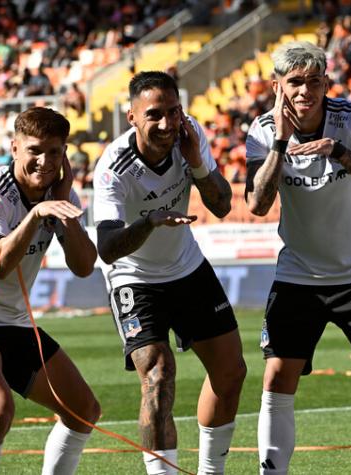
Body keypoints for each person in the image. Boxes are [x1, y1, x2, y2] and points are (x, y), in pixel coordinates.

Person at [245, 41, 351, 475]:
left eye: (313, 81)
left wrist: (336, 150)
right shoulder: (262, 130)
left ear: (326, 84)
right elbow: (258, 204)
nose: (304, 91)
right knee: (277, 377)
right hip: (300, 274)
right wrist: (280, 141)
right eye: (294, 82)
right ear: (277, 86)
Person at [93, 71, 246, 475]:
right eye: (154, 115)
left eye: (173, 112)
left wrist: (196, 161)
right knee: (158, 377)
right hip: (135, 277)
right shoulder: (113, 166)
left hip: (187, 267)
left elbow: (223, 204)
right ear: (132, 117)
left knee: (231, 372)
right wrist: (150, 222)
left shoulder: (190, 136)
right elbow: (107, 250)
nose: (166, 124)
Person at [0, 107, 101, 474]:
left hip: (16, 320)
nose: (44, 161)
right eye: (35, 150)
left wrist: (65, 209)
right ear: (14, 148)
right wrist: (37, 214)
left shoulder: (60, 197)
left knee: (83, 411)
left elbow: (85, 266)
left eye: (55, 152)